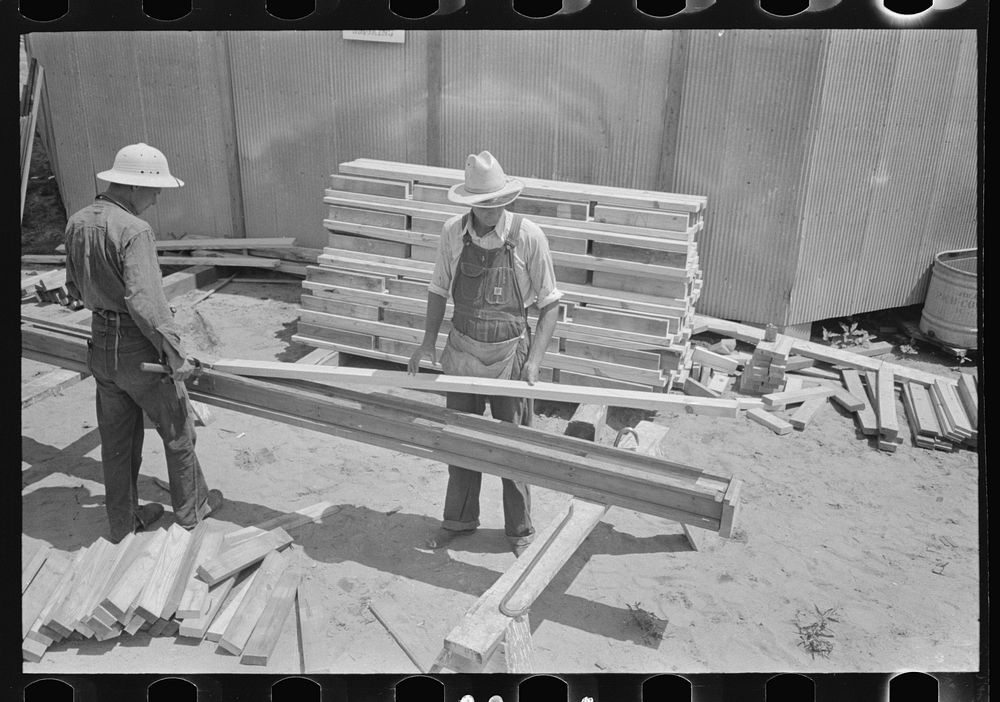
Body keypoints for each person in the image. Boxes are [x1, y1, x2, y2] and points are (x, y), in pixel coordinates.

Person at [64, 142, 223, 543]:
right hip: (138, 348)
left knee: (117, 441)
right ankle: (191, 513)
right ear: (134, 187)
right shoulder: (134, 229)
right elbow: (146, 301)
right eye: (155, 191)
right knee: (178, 431)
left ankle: (124, 522)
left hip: (100, 345)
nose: (157, 200)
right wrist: (174, 355)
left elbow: (72, 287)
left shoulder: (78, 221)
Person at [408, 151, 562, 557]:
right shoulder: (453, 233)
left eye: (499, 203)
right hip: (461, 351)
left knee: (512, 447)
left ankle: (519, 532)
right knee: (460, 444)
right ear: (470, 203)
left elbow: (550, 304)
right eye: (484, 204)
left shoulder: (529, 236)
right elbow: (439, 289)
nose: (493, 210)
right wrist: (427, 342)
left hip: (511, 353)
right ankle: (458, 522)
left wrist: (534, 362)